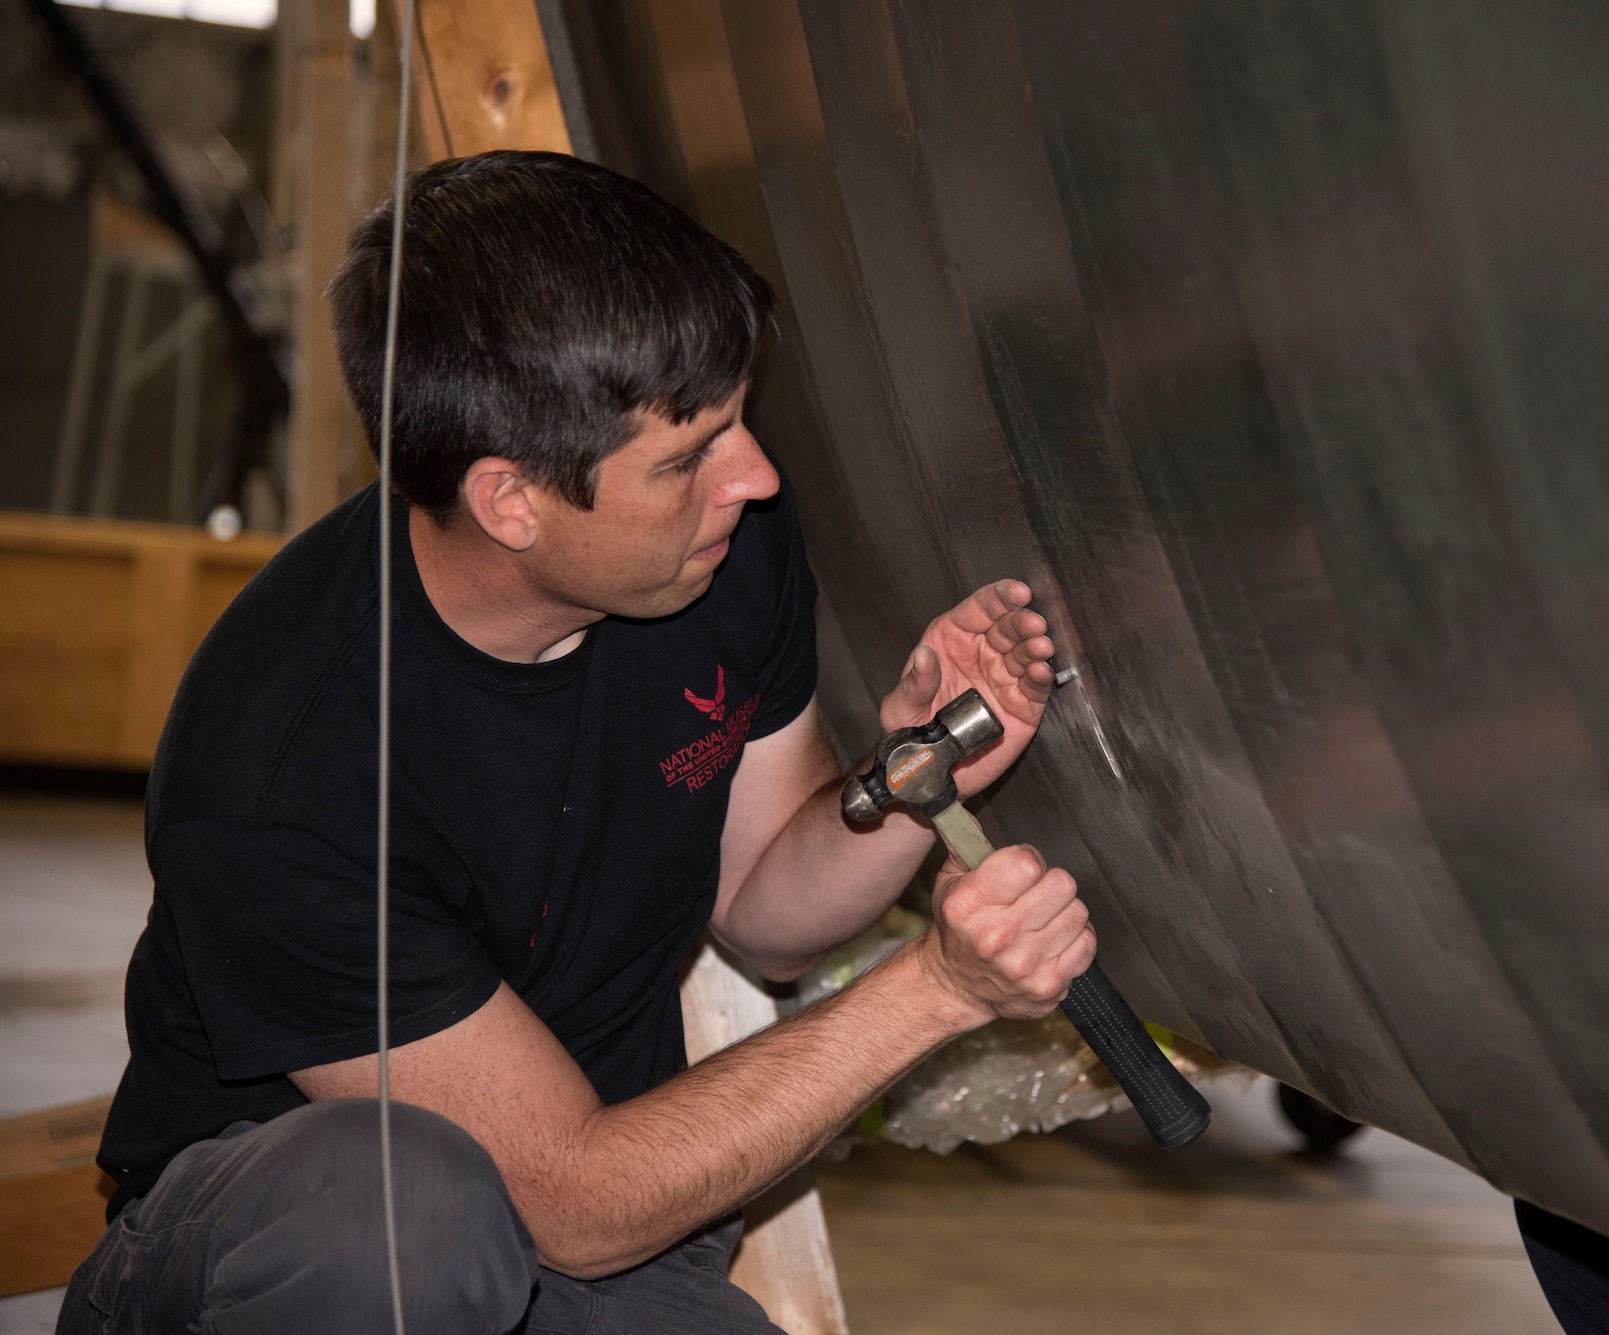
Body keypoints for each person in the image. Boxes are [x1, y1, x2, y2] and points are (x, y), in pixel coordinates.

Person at [59, 150, 1095, 1335]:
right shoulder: (283, 771)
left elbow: (760, 906)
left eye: (737, 422)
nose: (750, 476)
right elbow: (575, 1194)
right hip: (284, 1256)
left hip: (580, 1238)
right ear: (510, 502)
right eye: (687, 454)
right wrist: (940, 991)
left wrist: (917, 768)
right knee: (403, 1218)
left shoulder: (712, 549)